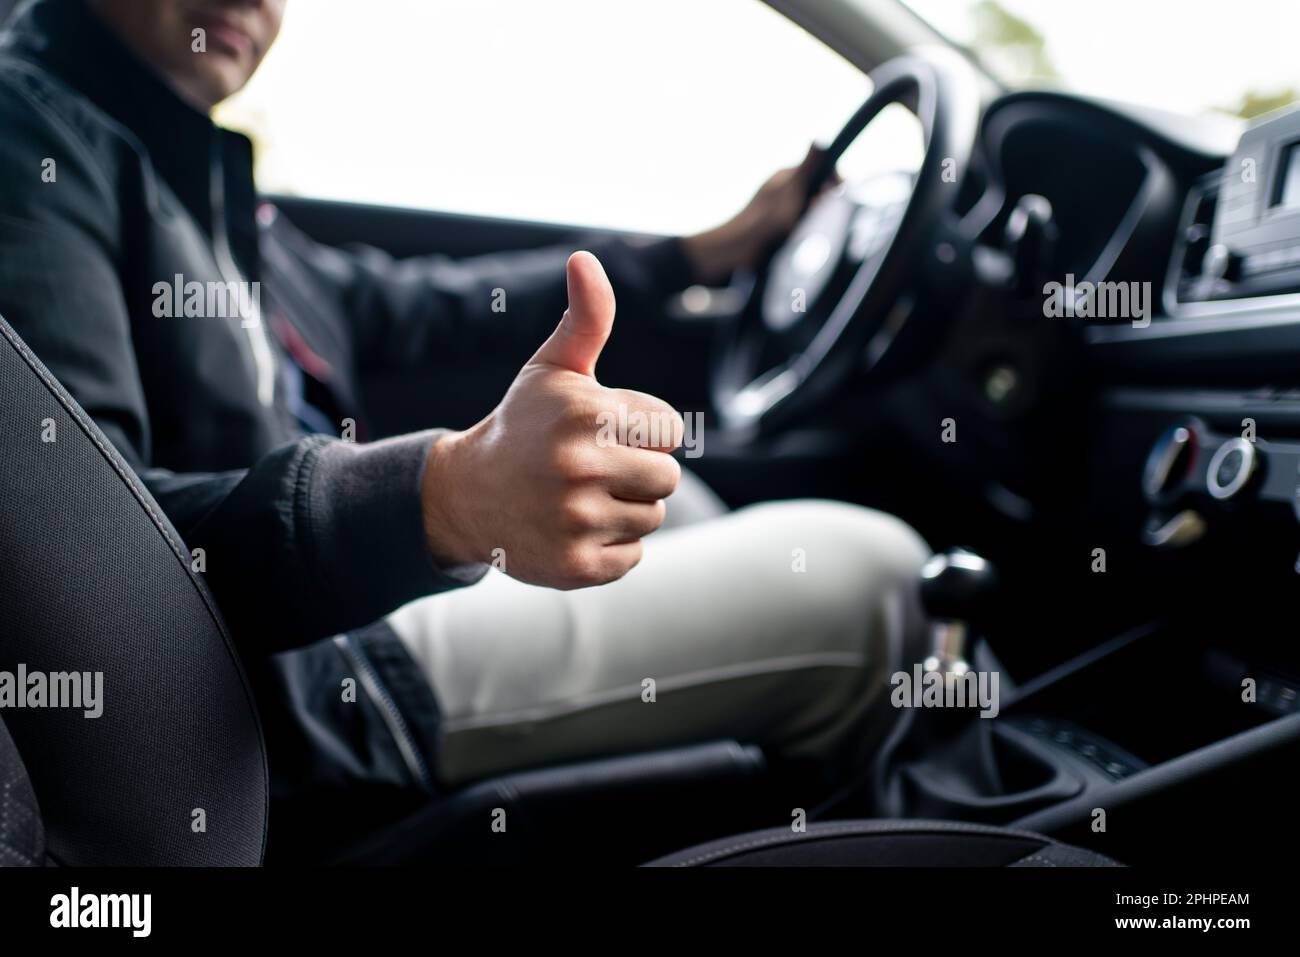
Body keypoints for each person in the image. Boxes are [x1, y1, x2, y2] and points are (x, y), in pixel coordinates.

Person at [0, 0, 929, 852]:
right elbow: (91, 558)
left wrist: (691, 255)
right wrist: (442, 497)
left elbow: (406, 303)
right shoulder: (30, 139)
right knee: (879, 576)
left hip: (341, 616)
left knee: (680, 504)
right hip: (282, 687)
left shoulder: (189, 173)